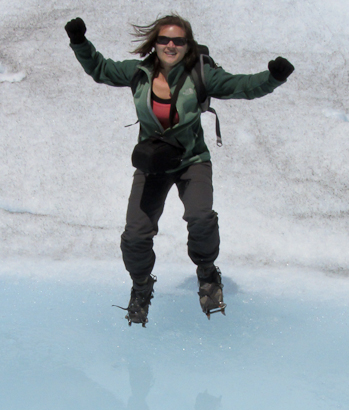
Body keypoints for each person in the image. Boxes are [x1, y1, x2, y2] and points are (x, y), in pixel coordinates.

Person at [64, 14, 294, 325]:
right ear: (154, 43)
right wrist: (79, 42)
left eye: (178, 40)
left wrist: (273, 78)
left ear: (188, 45)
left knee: (200, 217)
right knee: (135, 234)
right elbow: (100, 68)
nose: (171, 45)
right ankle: (141, 287)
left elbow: (242, 86)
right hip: (153, 164)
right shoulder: (139, 73)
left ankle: (207, 273)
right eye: (164, 39)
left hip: (192, 160)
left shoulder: (201, 75)